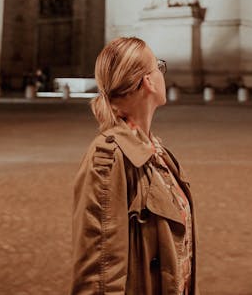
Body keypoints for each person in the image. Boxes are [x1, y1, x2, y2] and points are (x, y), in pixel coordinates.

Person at [68, 36, 199, 294]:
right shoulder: (108, 158)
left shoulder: (157, 151)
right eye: (158, 66)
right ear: (147, 81)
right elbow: (100, 276)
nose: (163, 73)